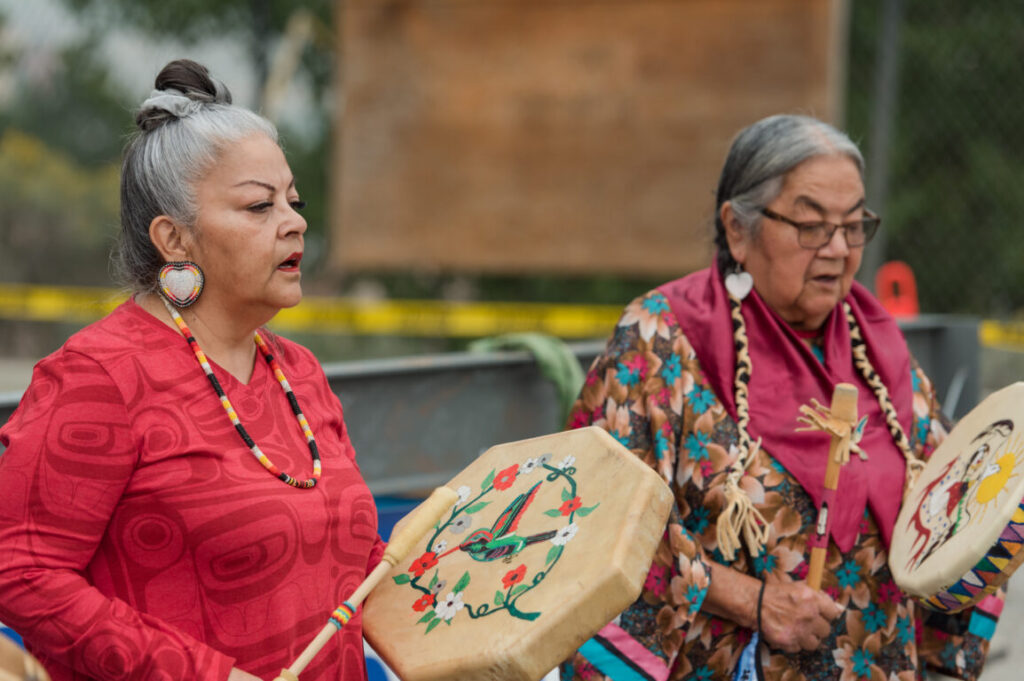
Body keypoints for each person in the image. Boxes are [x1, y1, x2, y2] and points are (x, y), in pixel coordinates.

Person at [560, 115, 1001, 681]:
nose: (839, 249)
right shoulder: (661, 340)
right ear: (738, 229)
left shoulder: (876, 342)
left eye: (853, 224)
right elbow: (598, 518)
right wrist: (754, 602)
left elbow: (952, 505)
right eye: (811, 225)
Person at [0, 59, 384, 681]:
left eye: (293, 199)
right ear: (174, 240)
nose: (295, 221)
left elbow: (364, 565)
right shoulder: (99, 377)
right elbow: (21, 570)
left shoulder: (300, 373)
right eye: (259, 206)